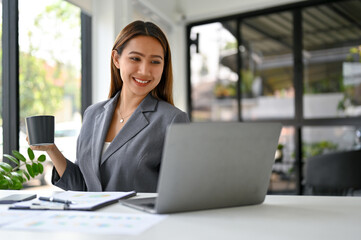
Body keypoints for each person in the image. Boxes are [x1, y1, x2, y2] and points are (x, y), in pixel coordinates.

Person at [28, 20, 189, 192]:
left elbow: (179, 192)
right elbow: (82, 187)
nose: (144, 70)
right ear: (116, 59)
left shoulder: (172, 120)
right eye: (135, 58)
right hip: (92, 218)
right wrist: (51, 149)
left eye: (155, 62)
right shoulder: (93, 114)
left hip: (138, 218)